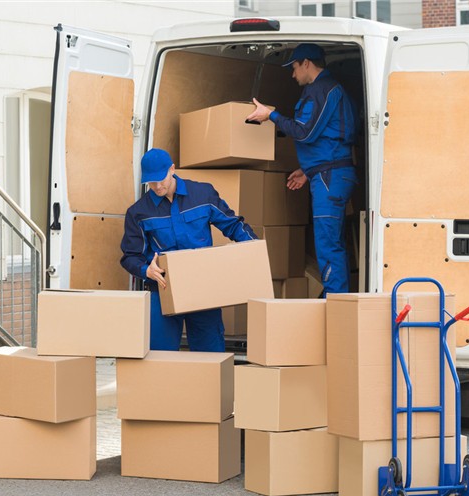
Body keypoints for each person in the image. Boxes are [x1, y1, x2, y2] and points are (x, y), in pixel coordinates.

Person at [246, 43, 358, 295]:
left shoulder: (320, 90)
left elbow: (304, 132)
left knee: (328, 244)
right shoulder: (333, 90)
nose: (292, 74)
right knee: (334, 242)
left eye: (294, 67)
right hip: (330, 173)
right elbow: (331, 137)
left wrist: (270, 115)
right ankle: (338, 299)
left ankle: (335, 302)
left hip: (330, 178)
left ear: (306, 63)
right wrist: (307, 170)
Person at [120, 148, 257, 352]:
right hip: (163, 289)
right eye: (151, 182)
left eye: (161, 180)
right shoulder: (138, 212)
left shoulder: (203, 194)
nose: (157, 186)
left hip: (203, 289)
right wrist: (145, 270)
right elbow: (130, 256)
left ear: (172, 169)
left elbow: (233, 225)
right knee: (159, 355)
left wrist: (254, 249)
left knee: (210, 355)